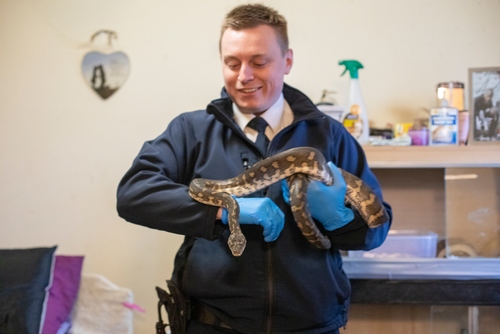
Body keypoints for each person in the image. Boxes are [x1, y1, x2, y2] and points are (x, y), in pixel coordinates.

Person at [117, 4, 392, 334]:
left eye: (259, 62)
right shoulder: (192, 131)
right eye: (232, 63)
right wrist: (224, 211)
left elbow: (377, 226)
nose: (243, 76)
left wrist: (341, 219)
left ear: (287, 60)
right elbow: (134, 194)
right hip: (211, 325)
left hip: (311, 326)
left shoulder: (328, 134)